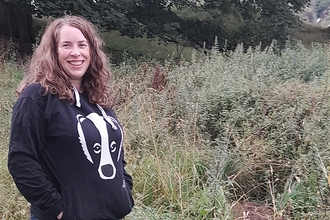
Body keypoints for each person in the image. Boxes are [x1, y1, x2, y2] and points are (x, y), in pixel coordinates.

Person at [7, 15, 134, 220]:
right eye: (66, 45)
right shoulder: (38, 97)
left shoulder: (97, 98)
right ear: (53, 52)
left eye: (82, 45)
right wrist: (58, 209)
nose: (76, 53)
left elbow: (117, 155)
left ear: (92, 52)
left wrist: (123, 191)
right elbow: (21, 160)